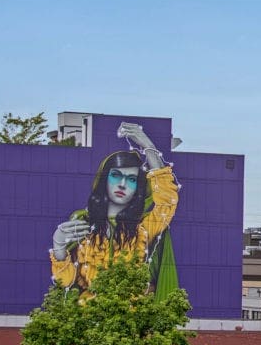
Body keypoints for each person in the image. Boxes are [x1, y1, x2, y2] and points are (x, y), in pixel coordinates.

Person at [50, 122, 179, 299]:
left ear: (138, 187)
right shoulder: (83, 224)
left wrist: (149, 148)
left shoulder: (143, 229)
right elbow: (64, 282)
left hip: (132, 318)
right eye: (116, 175)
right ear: (104, 179)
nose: (123, 184)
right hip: (89, 317)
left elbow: (167, 203)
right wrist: (59, 249)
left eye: (131, 179)